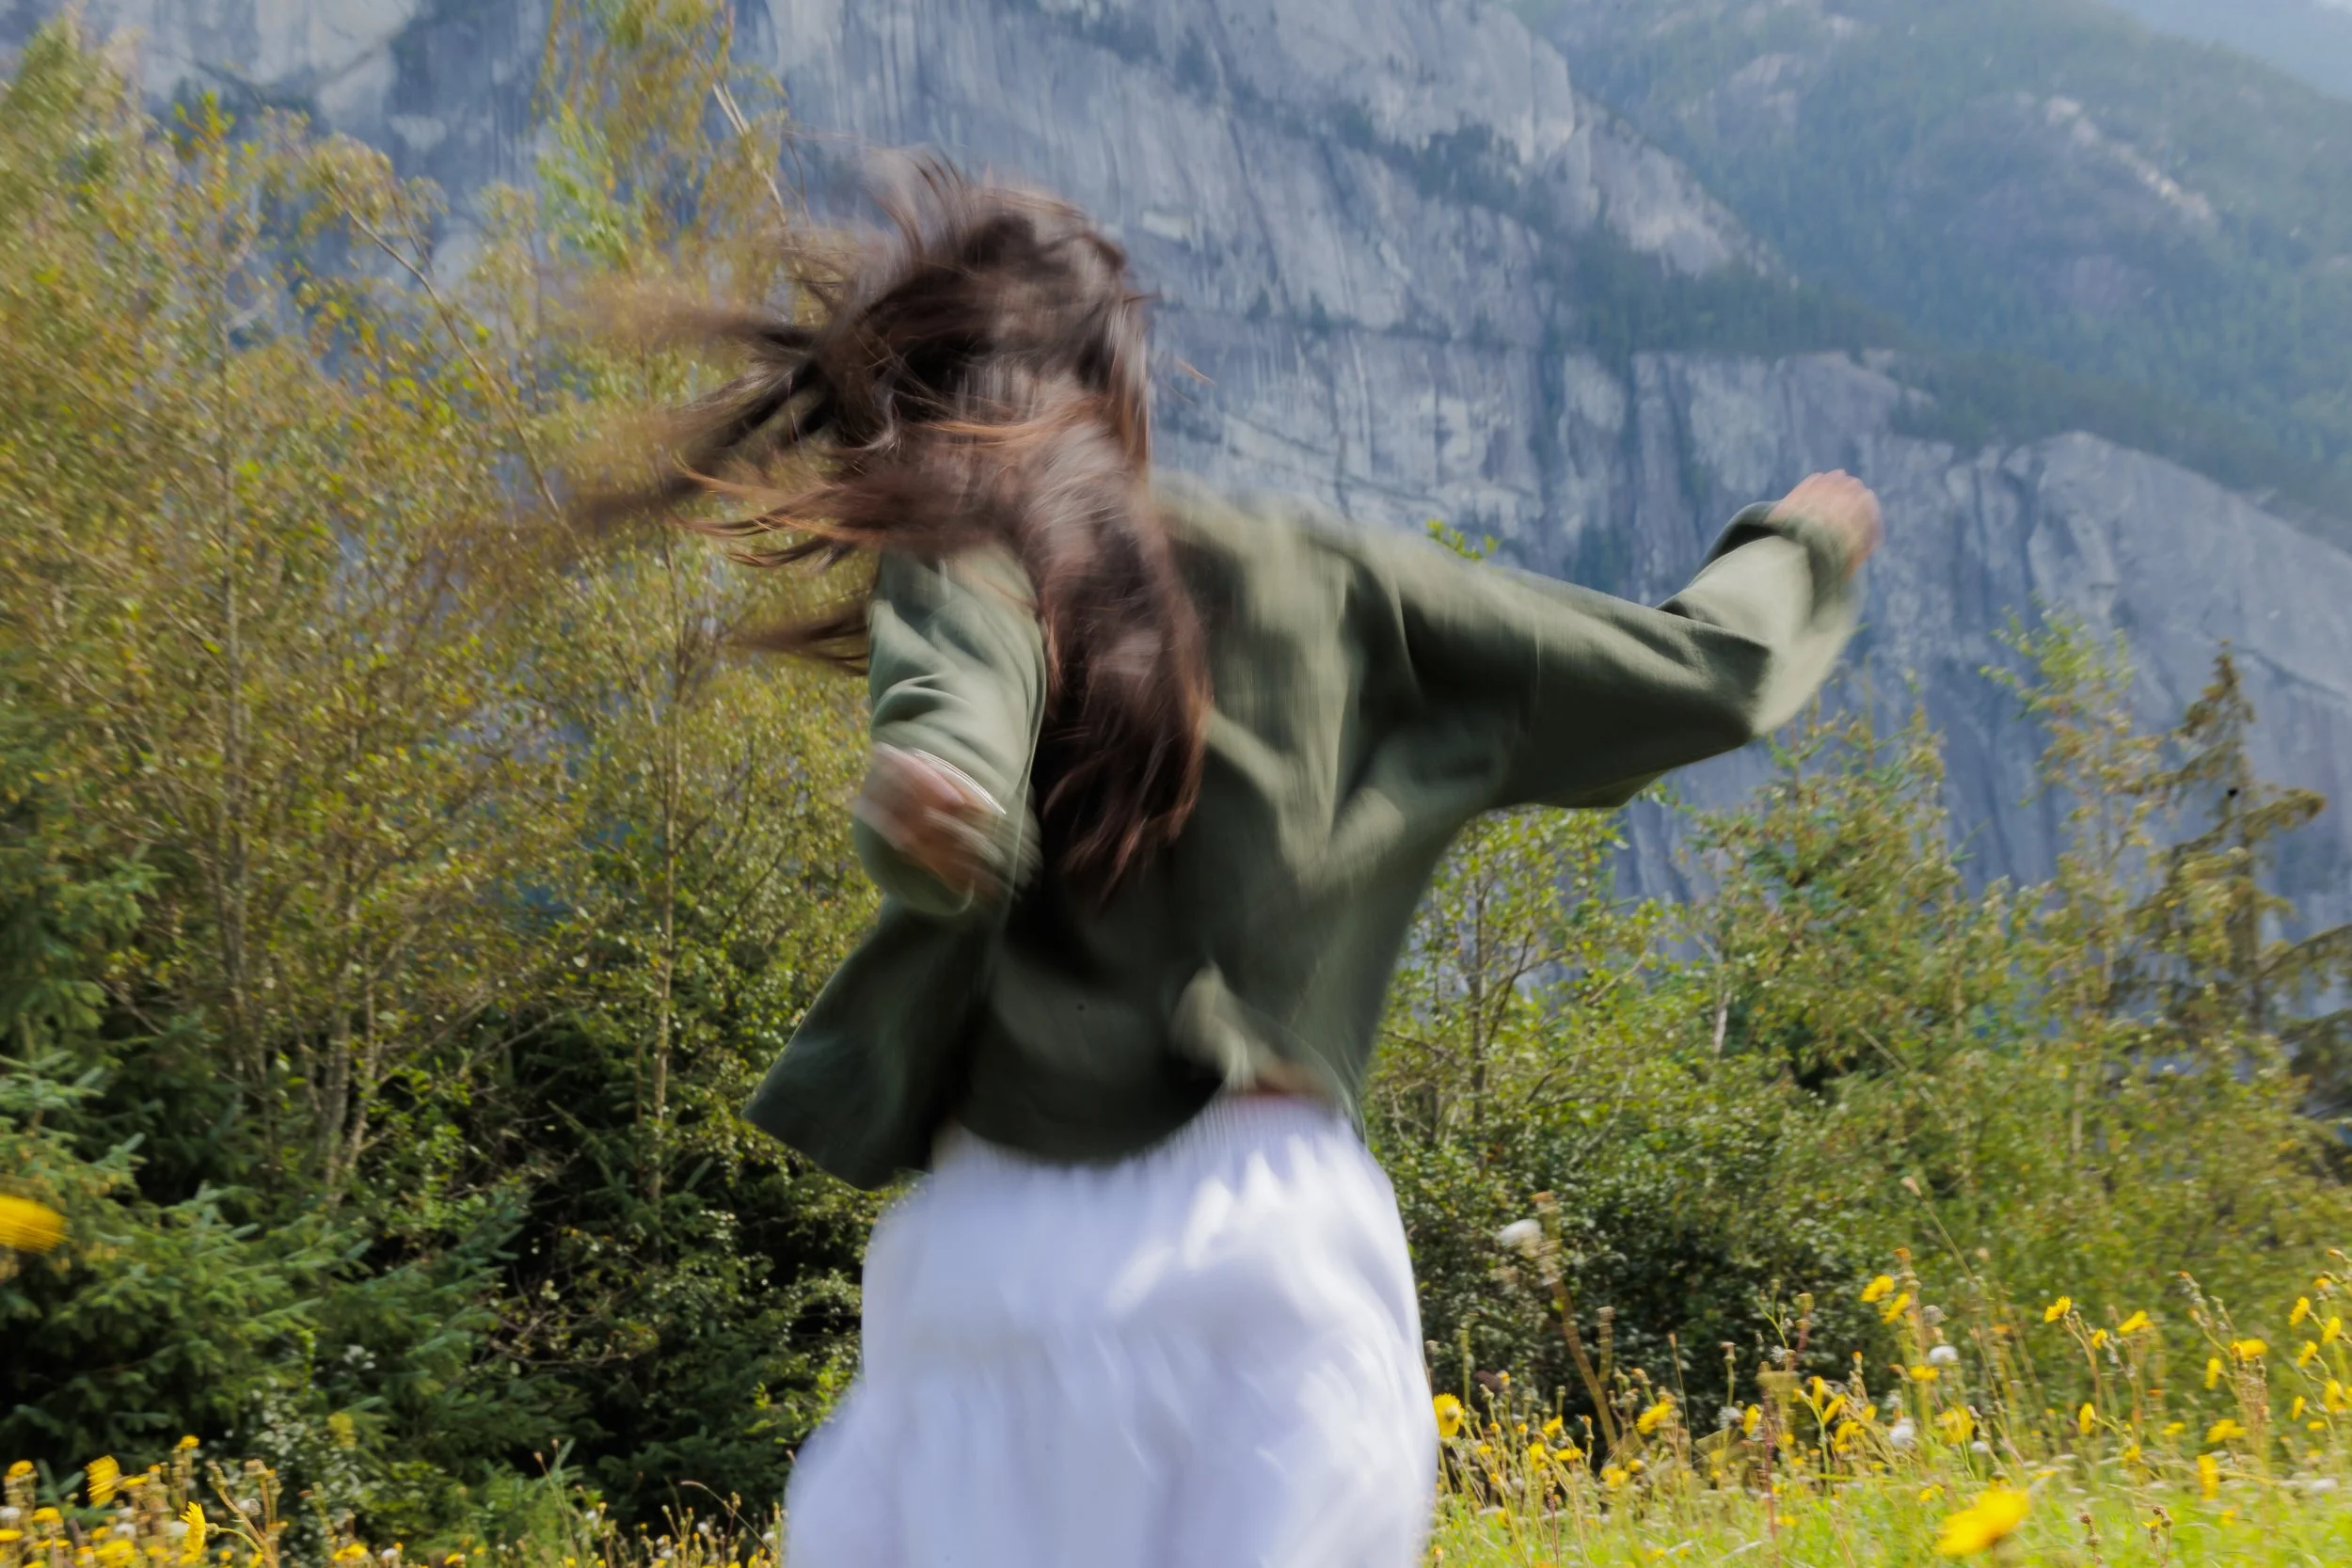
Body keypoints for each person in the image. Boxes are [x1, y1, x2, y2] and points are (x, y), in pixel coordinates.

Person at [612, 163, 1880, 1568]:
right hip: (1277, 1261)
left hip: (1004, 1269)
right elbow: (1700, 670)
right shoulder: (1346, 587)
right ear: (1122, 389)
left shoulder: (972, 549)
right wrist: (1797, 553)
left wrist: (942, 798)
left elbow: (957, 699)